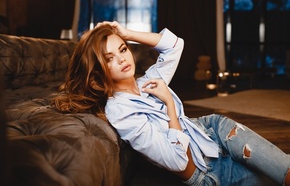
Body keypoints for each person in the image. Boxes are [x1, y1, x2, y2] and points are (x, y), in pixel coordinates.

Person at [52, 21, 290, 186]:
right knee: (277, 175)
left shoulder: (146, 82)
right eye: (109, 58)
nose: (123, 58)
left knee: (282, 168)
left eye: (123, 49)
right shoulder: (120, 111)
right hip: (206, 171)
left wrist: (127, 33)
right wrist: (169, 105)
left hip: (210, 131)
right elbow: (177, 161)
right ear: (97, 73)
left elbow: (175, 45)